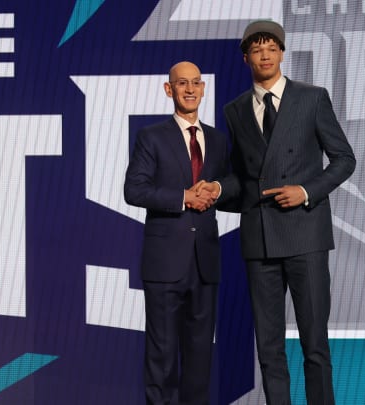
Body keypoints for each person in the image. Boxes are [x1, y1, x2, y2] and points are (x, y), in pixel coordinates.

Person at [196, 20, 356, 405]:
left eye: (271, 47)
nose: (264, 55)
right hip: (259, 239)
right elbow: (243, 177)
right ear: (246, 57)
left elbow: (344, 159)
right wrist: (217, 188)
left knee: (314, 342)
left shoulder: (312, 98)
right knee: (268, 346)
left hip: (305, 235)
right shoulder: (235, 110)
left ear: (282, 52)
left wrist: (305, 190)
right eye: (256, 49)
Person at [124, 61, 227, 405]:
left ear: (202, 88)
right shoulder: (151, 137)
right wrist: (184, 197)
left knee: (200, 361)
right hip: (165, 264)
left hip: (205, 262)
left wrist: (217, 188)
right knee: (162, 358)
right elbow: (134, 190)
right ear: (169, 90)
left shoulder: (217, 139)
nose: (189, 89)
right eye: (181, 83)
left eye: (196, 83)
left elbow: (236, 185)